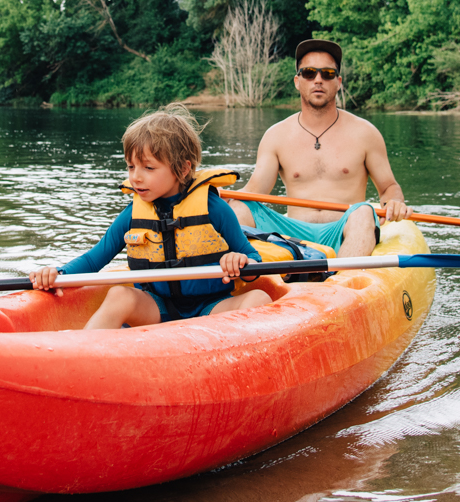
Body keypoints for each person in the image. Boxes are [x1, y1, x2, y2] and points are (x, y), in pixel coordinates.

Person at [29, 104, 273, 329]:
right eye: (131, 166)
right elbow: (94, 260)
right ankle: (81, 352)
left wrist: (239, 261)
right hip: (157, 308)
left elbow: (253, 262)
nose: (136, 177)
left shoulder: (214, 209)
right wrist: (59, 274)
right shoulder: (132, 215)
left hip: (210, 308)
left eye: (148, 167)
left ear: (183, 168)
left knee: (259, 298)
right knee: (119, 295)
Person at [230, 39, 409, 256]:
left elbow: (388, 187)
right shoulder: (276, 135)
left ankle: (342, 276)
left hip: (342, 230)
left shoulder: (365, 133)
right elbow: (254, 192)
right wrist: (220, 197)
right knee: (238, 208)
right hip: (291, 234)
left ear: (338, 82)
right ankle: (244, 271)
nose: (318, 80)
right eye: (309, 73)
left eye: (327, 74)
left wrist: (394, 202)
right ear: (297, 81)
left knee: (364, 212)